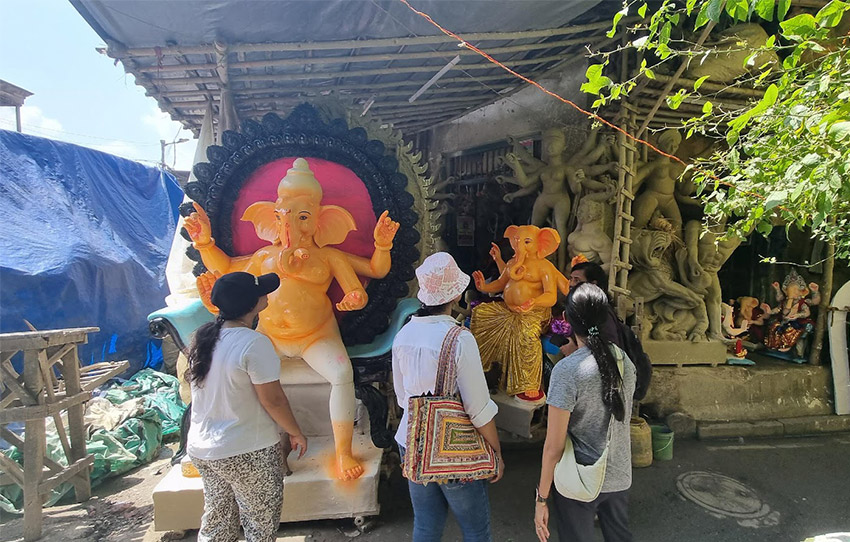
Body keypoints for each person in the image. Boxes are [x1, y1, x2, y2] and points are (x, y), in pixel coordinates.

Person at [186, 271, 308, 542]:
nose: (266, 296)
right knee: (259, 523)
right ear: (253, 304)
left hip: (203, 448)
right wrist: (295, 432)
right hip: (245, 450)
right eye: (262, 293)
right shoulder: (253, 343)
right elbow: (272, 400)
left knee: (218, 518)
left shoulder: (202, 339)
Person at [393, 252, 504, 542]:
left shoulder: (403, 335)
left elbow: (404, 399)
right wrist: (496, 453)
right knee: (476, 530)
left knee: (426, 525)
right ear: (455, 296)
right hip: (452, 450)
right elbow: (478, 409)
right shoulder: (459, 338)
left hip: (412, 442)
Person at [534, 283, 637, 542]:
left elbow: (553, 447)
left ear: (567, 320)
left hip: (578, 479)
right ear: (605, 317)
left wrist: (541, 498)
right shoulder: (625, 362)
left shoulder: (567, 372)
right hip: (619, 475)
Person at [569, 261, 652, 401]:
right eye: (570, 279)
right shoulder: (594, 311)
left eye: (577, 280)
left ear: (593, 285)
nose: (571, 284)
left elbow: (609, 351)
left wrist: (575, 352)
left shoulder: (602, 315)